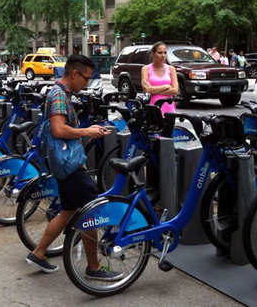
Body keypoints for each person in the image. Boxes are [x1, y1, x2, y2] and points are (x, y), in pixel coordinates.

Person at [25, 54, 122, 281]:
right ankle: (94, 268)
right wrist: (87, 132)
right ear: (74, 73)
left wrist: (89, 129)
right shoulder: (59, 95)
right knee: (92, 212)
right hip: (69, 166)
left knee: (68, 211)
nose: (86, 83)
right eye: (86, 78)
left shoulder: (60, 93)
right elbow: (59, 130)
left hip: (63, 165)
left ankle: (38, 253)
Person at [141, 42, 179, 115]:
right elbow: (147, 89)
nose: (163, 55)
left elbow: (175, 91)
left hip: (168, 108)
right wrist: (166, 86)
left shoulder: (171, 69)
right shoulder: (146, 69)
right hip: (153, 107)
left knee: (169, 126)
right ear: (153, 53)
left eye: (165, 53)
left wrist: (153, 90)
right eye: (160, 53)